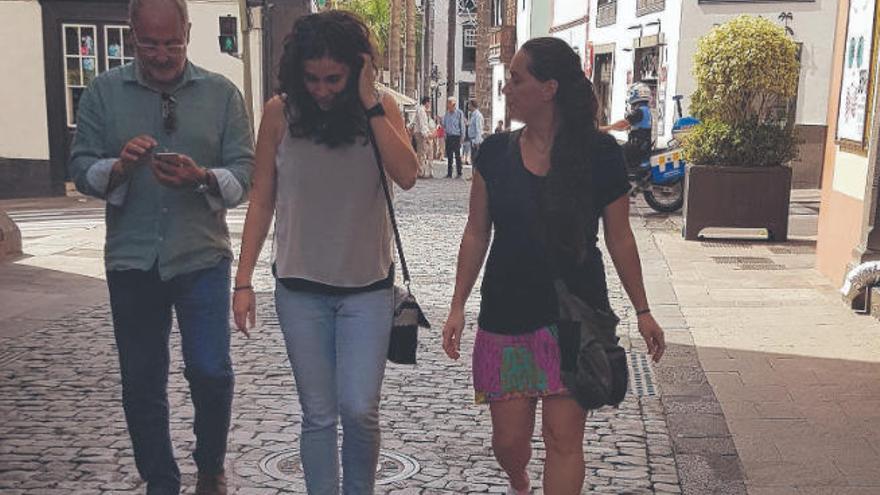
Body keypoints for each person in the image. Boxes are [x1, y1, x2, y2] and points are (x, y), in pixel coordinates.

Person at [441, 37, 666, 495]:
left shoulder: (600, 154)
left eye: (517, 80)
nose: (507, 89)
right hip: (507, 316)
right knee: (510, 443)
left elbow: (620, 238)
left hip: (574, 319)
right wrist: (457, 304)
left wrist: (643, 311)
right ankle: (519, 478)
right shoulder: (494, 153)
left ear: (549, 88)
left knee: (564, 441)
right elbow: (476, 232)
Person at [67, 0, 254, 493]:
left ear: (188, 32)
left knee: (211, 371)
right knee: (142, 381)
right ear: (132, 36)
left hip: (201, 253)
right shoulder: (104, 93)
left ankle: (210, 464)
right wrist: (118, 168)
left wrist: (202, 178)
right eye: (150, 44)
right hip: (131, 258)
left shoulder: (221, 95)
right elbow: (81, 167)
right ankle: (161, 480)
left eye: (172, 42)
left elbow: (245, 174)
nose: (163, 54)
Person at [232, 10, 418, 495]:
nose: (321, 89)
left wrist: (369, 103)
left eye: (334, 78)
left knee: (359, 409)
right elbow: (261, 196)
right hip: (299, 288)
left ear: (357, 68)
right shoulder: (280, 112)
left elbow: (408, 174)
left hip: (367, 289)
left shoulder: (381, 108)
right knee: (318, 414)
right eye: (311, 78)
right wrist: (244, 277)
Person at [600, 82, 654, 175]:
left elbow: (624, 123)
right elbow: (625, 127)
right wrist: (612, 128)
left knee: (611, 154)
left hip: (636, 147)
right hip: (642, 147)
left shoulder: (639, 111)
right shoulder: (646, 110)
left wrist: (604, 128)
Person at [442, 97, 465, 177]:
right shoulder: (447, 114)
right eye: (448, 104)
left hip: (456, 136)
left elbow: (462, 126)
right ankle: (449, 173)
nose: (448, 106)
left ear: (454, 104)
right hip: (449, 137)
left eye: (449, 104)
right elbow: (444, 125)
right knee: (449, 155)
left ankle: (459, 173)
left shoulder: (459, 113)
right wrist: (444, 134)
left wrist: (462, 137)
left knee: (457, 155)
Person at [413, 96, 435, 178]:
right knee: (421, 153)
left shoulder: (421, 110)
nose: (430, 105)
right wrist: (427, 135)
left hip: (421, 133)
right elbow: (422, 125)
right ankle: (420, 172)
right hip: (421, 134)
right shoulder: (421, 111)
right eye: (429, 103)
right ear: (427, 102)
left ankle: (422, 171)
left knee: (422, 153)